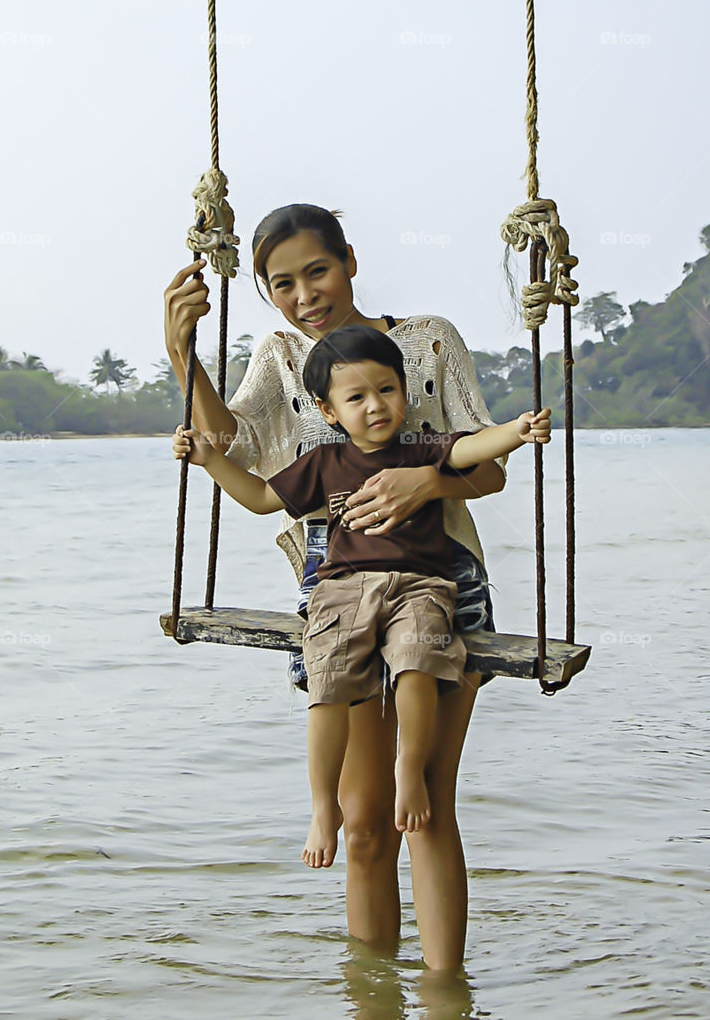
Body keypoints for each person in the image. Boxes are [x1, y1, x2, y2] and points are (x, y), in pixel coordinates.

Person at [164, 202, 509, 971]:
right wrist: (179, 350)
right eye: (279, 283)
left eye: (315, 271)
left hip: (439, 576)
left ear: (349, 259)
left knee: (423, 808)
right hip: (335, 589)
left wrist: (425, 481)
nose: (303, 294)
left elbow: (487, 467)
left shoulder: (425, 341)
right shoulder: (283, 359)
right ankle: (372, 994)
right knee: (361, 822)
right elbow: (234, 453)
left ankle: (447, 994)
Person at [173, 326, 550, 875]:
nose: (376, 406)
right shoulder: (323, 464)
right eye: (357, 397)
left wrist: (515, 432)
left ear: (403, 391)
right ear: (329, 412)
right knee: (327, 686)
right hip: (342, 588)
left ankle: (410, 771)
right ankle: (324, 806)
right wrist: (210, 461)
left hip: (420, 584)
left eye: (387, 390)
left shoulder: (421, 449)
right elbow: (258, 497)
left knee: (418, 665)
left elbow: (472, 449)